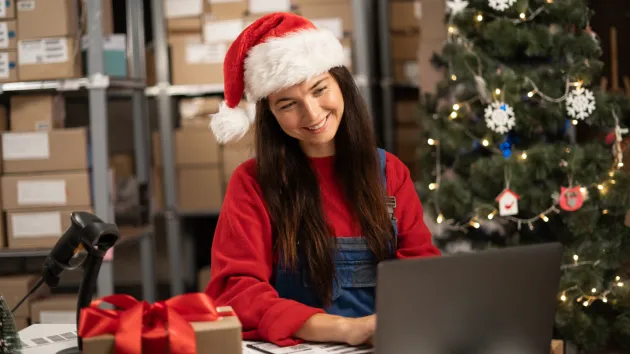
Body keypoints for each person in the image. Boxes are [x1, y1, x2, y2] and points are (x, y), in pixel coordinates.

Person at [205, 12, 441, 347]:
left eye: (319, 90)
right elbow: (236, 290)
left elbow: (422, 270)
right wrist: (344, 329)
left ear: (341, 85)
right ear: (271, 115)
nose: (313, 114)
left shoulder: (391, 173)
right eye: (289, 104)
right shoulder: (253, 183)